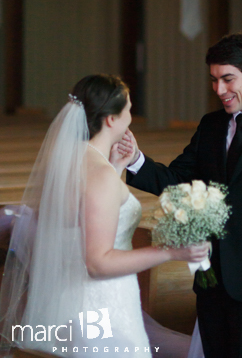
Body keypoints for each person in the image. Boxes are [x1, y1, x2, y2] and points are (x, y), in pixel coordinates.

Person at [122, 32, 242, 358]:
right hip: (211, 280)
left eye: (228, 79)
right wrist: (134, 159)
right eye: (214, 80)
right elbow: (177, 180)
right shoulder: (212, 125)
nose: (219, 90)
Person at [0, 74, 208, 354]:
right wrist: (171, 253)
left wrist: (115, 168)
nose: (131, 118)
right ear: (111, 119)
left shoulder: (72, 164)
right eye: (128, 110)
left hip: (66, 304)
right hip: (100, 309)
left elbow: (84, 220)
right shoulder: (100, 176)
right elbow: (98, 263)